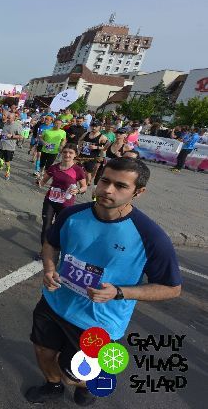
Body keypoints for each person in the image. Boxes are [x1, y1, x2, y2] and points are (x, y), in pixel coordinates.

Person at [25, 157, 181, 406]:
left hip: (99, 323)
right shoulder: (72, 214)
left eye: (121, 186)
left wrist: (120, 292)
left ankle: (89, 385)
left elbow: (172, 289)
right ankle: (52, 387)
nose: (108, 190)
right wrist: (49, 267)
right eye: (105, 181)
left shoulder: (151, 236)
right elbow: (50, 244)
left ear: (138, 192)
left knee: (73, 375)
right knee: (43, 352)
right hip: (55, 304)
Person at [36, 144, 87, 250]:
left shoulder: (78, 170)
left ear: (75, 155)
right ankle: (44, 250)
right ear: (61, 153)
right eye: (65, 152)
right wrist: (39, 182)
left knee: (60, 227)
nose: (67, 155)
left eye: (70, 153)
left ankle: (56, 249)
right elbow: (43, 181)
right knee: (46, 226)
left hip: (65, 203)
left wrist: (77, 190)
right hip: (50, 200)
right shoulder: (54, 167)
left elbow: (84, 187)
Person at [77, 121, 109, 193]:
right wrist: (79, 146)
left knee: (88, 172)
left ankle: (85, 186)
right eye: (92, 126)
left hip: (92, 157)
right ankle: (78, 184)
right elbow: (80, 140)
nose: (94, 128)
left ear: (100, 127)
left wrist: (96, 147)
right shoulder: (86, 133)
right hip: (82, 155)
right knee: (77, 169)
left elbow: (106, 147)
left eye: (96, 126)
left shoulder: (102, 137)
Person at [0, 111, 23, 180]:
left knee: (7, 162)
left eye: (9, 118)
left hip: (10, 147)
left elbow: (21, 136)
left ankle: (7, 172)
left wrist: (12, 136)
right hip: (1, 145)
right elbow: (1, 131)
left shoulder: (17, 125)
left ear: (13, 118)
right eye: (7, 117)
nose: (7, 119)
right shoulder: (5, 124)